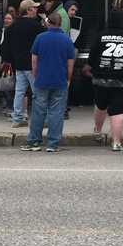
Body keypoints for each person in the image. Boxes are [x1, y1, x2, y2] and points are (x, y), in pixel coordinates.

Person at [21, 12, 76, 153]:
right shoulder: (67, 40)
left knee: (38, 112)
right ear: (60, 23)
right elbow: (70, 64)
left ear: (48, 22)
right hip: (60, 80)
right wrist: (68, 79)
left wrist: (36, 75)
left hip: (42, 80)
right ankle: (53, 143)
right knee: (56, 112)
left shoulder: (40, 38)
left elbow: (34, 61)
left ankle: (34, 141)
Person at [85, 21, 123, 152]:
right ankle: (116, 142)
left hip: (101, 78)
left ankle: (97, 132)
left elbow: (91, 58)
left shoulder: (100, 36)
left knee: (100, 105)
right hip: (122, 79)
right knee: (118, 110)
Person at [1, 0, 43, 128]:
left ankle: (17, 118)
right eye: (34, 8)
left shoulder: (11, 27)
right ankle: (39, 119)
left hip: (18, 64)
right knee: (38, 93)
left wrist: (9, 61)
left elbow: (4, 48)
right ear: (29, 10)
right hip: (33, 65)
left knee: (19, 92)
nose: (36, 10)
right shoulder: (37, 26)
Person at [0, 11, 16, 116]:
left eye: (9, 18)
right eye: (5, 18)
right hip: (2, 59)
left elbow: (8, 48)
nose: (6, 20)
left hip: (9, 62)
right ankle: (8, 105)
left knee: (10, 84)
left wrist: (5, 61)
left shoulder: (12, 32)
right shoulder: (3, 31)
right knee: (5, 84)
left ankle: (11, 107)